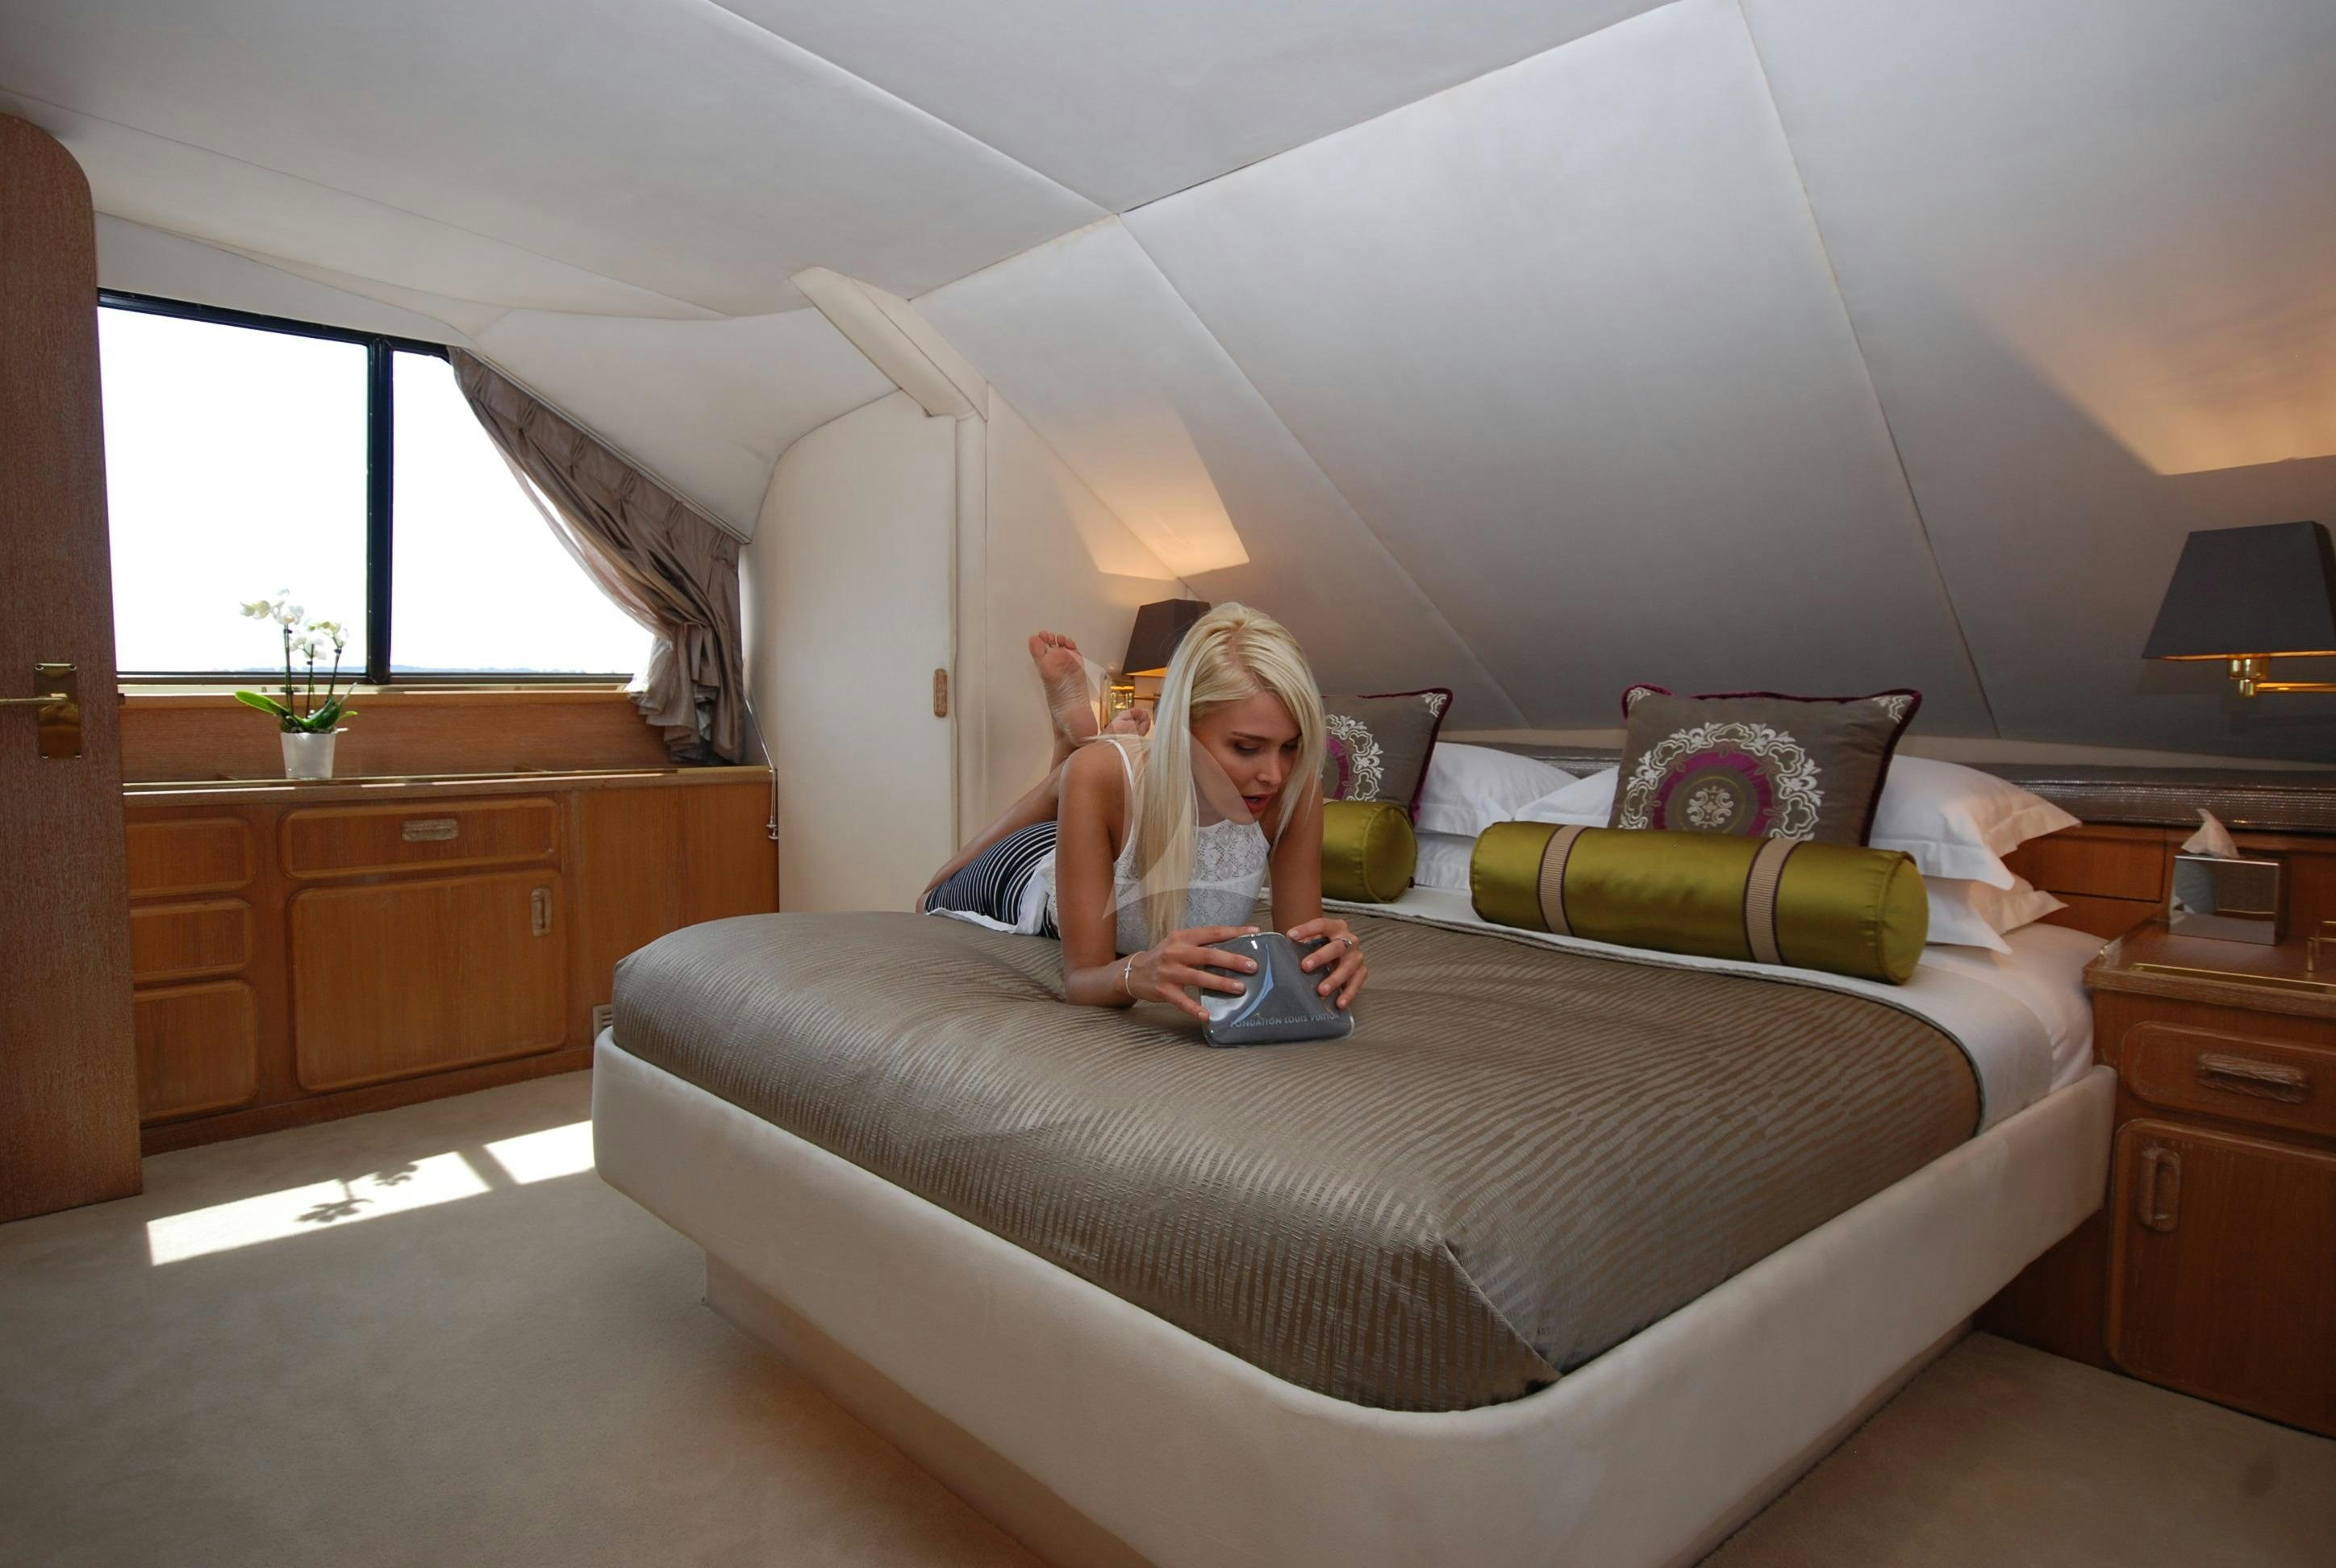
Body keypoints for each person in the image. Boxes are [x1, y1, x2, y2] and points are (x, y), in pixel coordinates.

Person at [920, 604, 1368, 1020]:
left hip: (1103, 833)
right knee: (931, 894)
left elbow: (1299, 955)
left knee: (1086, 775)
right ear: (1183, 728)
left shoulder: (1295, 789)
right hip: (1028, 873)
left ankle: (1078, 752)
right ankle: (1074, 757)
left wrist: (1329, 960)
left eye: (1290, 746)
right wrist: (1136, 973)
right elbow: (1082, 981)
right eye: (1247, 748)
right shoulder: (1103, 781)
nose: (1274, 774)